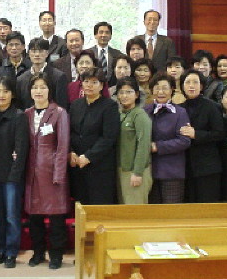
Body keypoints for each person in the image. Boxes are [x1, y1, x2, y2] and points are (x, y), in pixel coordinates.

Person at [24, 73, 70, 270]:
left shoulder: (59, 113)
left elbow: (62, 146)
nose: (39, 91)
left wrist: (59, 174)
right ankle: (38, 252)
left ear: (49, 90)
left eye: (43, 87)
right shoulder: (26, 114)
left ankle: (56, 255)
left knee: (56, 217)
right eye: (35, 87)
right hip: (31, 173)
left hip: (52, 173)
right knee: (34, 217)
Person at [0, 77, 29, 269]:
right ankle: (1, 249)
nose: (1, 95)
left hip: (12, 175)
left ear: (12, 94)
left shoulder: (19, 116)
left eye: (5, 91)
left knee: (12, 216)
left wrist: (15, 174)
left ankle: (12, 251)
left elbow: (21, 148)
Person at [69, 68, 120, 204]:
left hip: (100, 166)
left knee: (99, 204)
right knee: (80, 204)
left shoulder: (110, 106)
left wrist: (88, 157)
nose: (89, 85)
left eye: (94, 82)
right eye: (86, 81)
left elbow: (108, 138)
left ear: (101, 86)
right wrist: (71, 152)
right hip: (77, 165)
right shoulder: (75, 105)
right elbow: (70, 132)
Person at [179, 69, 225, 203]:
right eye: (187, 82)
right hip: (186, 167)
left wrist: (196, 134)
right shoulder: (179, 108)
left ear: (202, 86)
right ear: (182, 86)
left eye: (195, 82)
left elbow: (220, 133)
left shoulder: (212, 107)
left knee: (207, 207)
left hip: (208, 167)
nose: (191, 85)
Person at [144, 73, 191, 204]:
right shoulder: (145, 111)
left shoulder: (180, 112)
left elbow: (184, 141)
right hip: (148, 171)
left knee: (171, 212)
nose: (161, 92)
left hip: (172, 172)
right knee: (152, 212)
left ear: (172, 90)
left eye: (165, 88)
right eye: (157, 88)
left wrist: (158, 146)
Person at [115, 77, 152, 205]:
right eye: (121, 92)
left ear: (136, 94)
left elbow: (144, 145)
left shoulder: (140, 115)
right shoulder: (120, 114)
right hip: (121, 169)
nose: (124, 96)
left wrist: (137, 172)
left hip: (134, 171)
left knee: (135, 211)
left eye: (129, 92)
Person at [16, 38, 68, 110]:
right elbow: (20, 106)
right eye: (34, 51)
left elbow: (62, 106)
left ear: (47, 53)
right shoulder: (21, 79)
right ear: (29, 54)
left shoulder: (58, 76)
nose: (37, 54)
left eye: (41, 51)